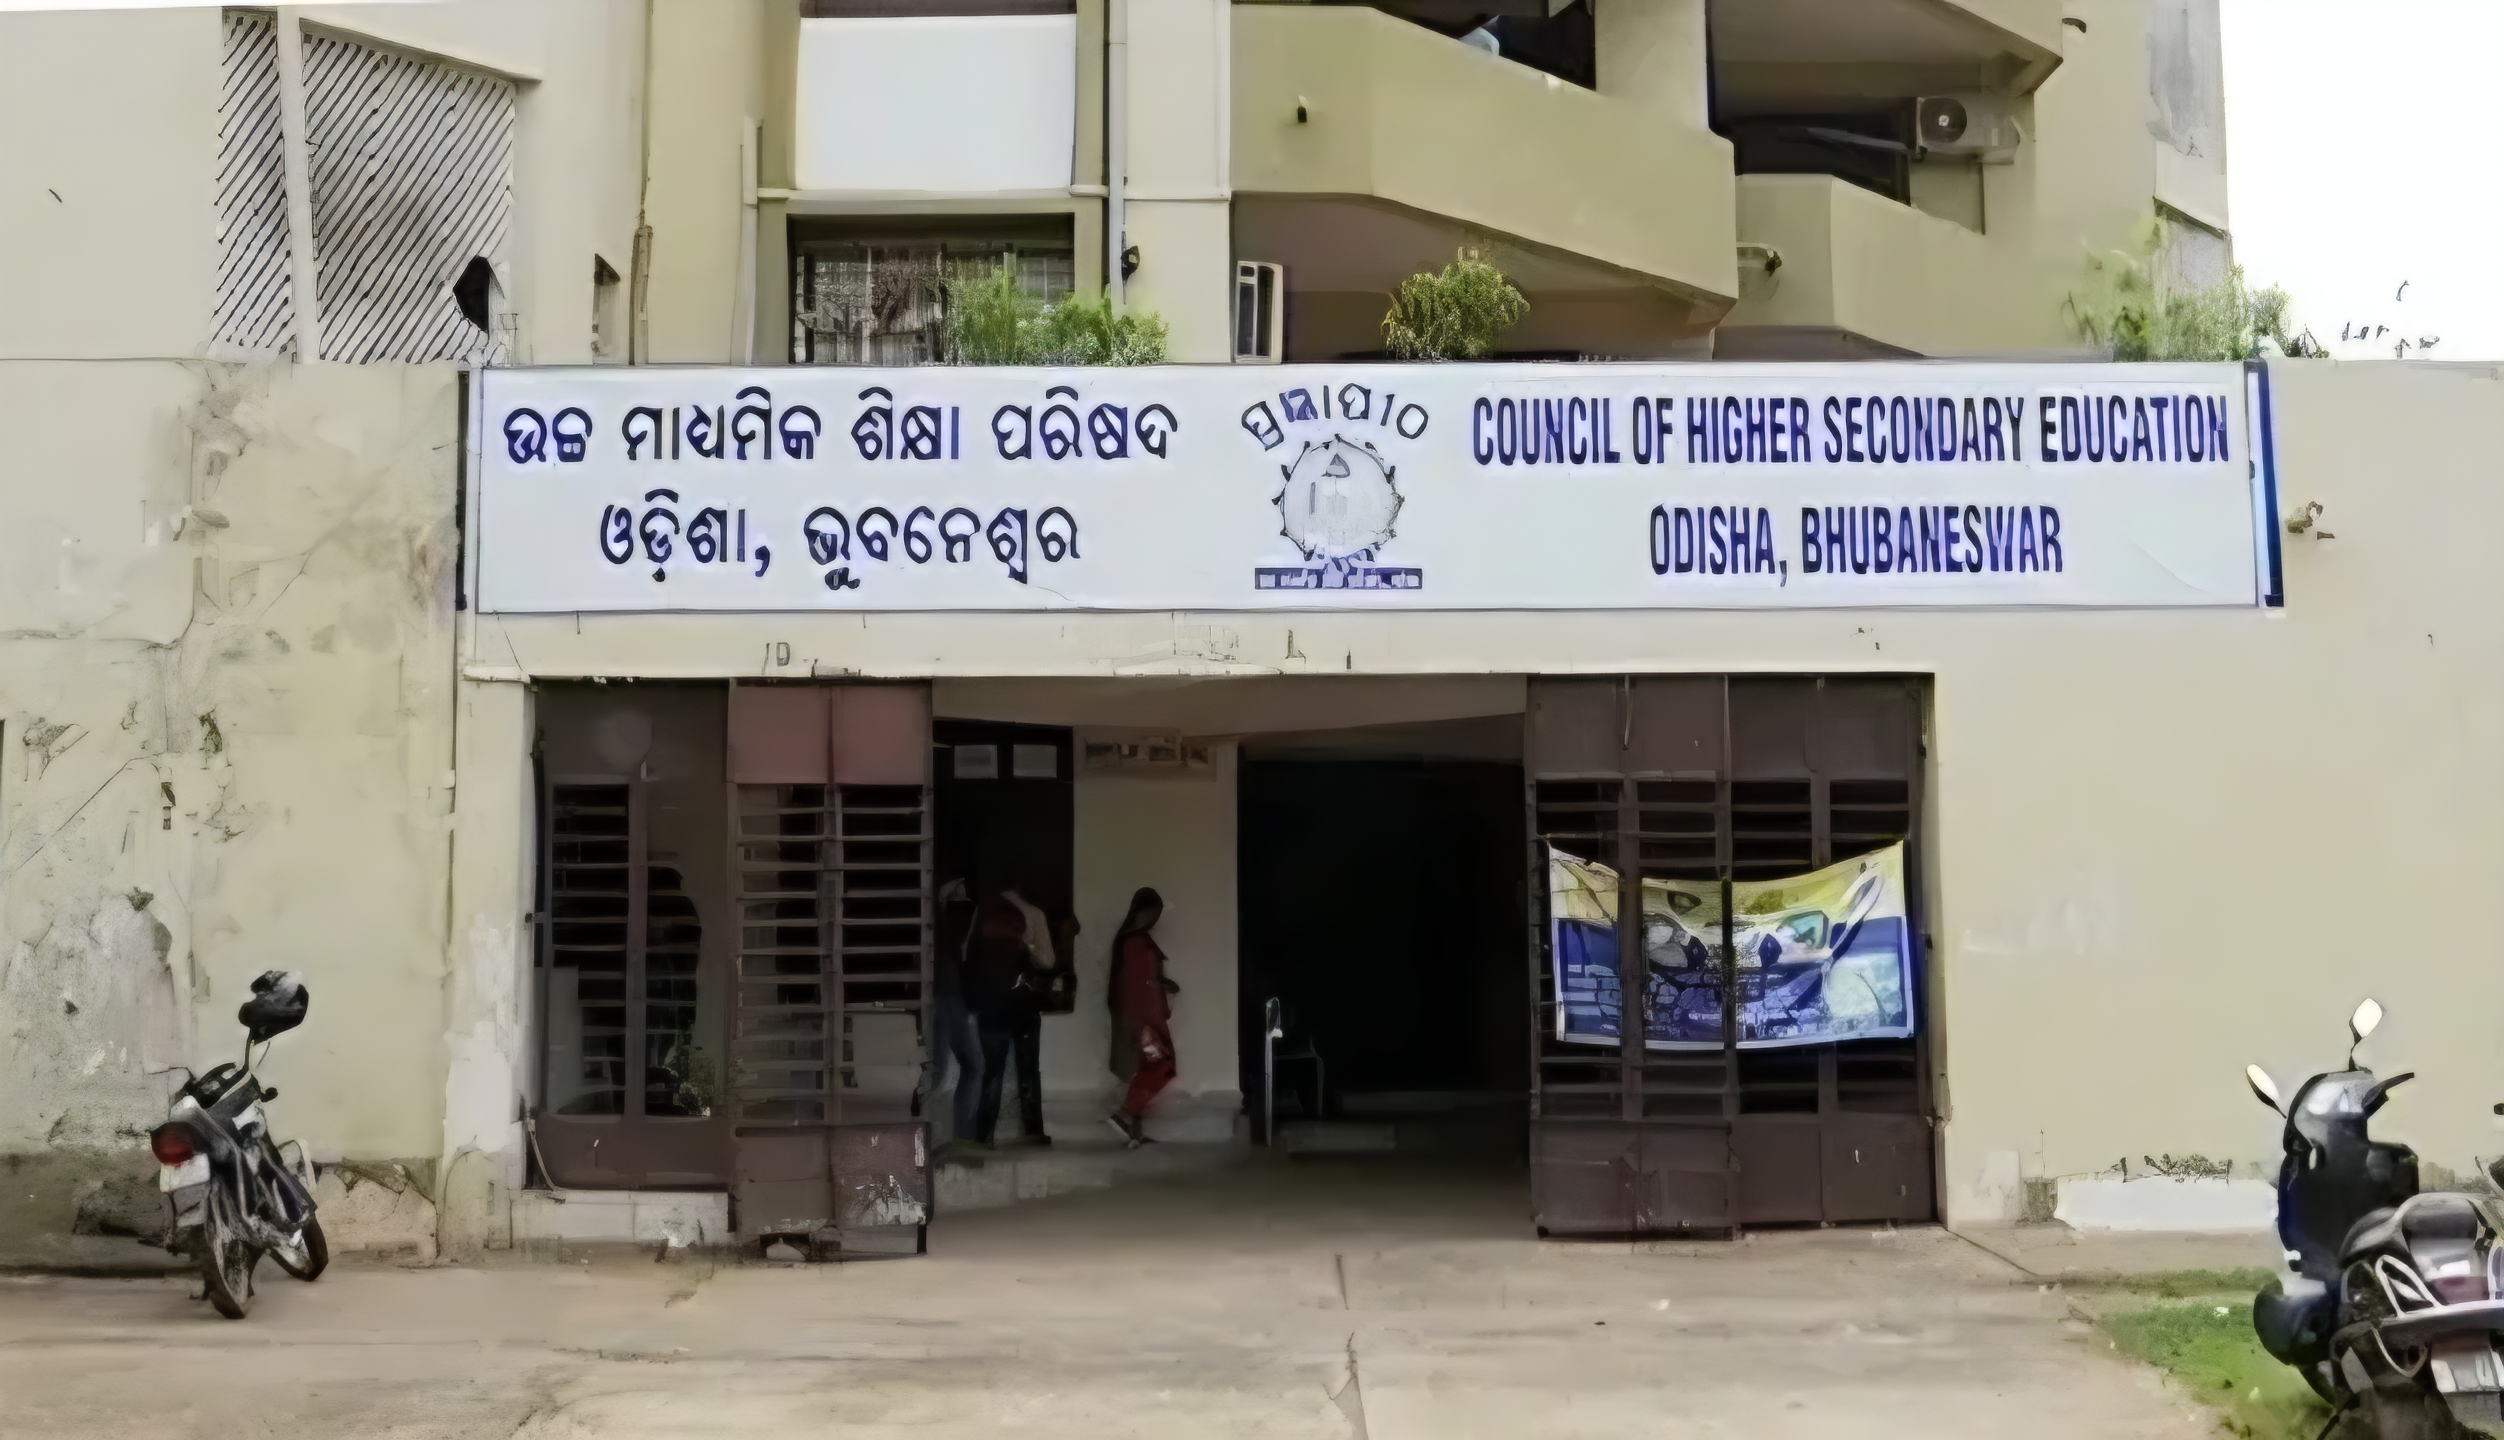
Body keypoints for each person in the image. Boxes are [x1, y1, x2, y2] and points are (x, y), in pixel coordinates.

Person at [964, 889, 1052, 1148]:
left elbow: (967, 952)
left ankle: (984, 1134)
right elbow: (1047, 961)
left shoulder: (983, 912)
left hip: (991, 1005)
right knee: (1028, 1070)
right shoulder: (1034, 914)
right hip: (1023, 1006)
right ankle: (1033, 1132)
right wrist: (1029, 947)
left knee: (992, 1070)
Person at [1105, 887, 1178, 1148]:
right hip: (1145, 1020)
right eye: (1151, 913)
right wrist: (1142, 1025)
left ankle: (1133, 1130)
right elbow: (1137, 986)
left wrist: (1162, 984)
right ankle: (1125, 1114)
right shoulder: (1135, 942)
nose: (1153, 919)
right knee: (1162, 1065)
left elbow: (1142, 981)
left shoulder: (1130, 941)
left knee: (1146, 1068)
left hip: (1142, 1019)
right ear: (1140, 911)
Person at [930, 877, 986, 1153]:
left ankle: (953, 1136)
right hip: (948, 997)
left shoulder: (940, 926)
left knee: (943, 1068)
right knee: (959, 1066)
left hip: (948, 997)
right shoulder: (946, 927)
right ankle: (957, 1136)